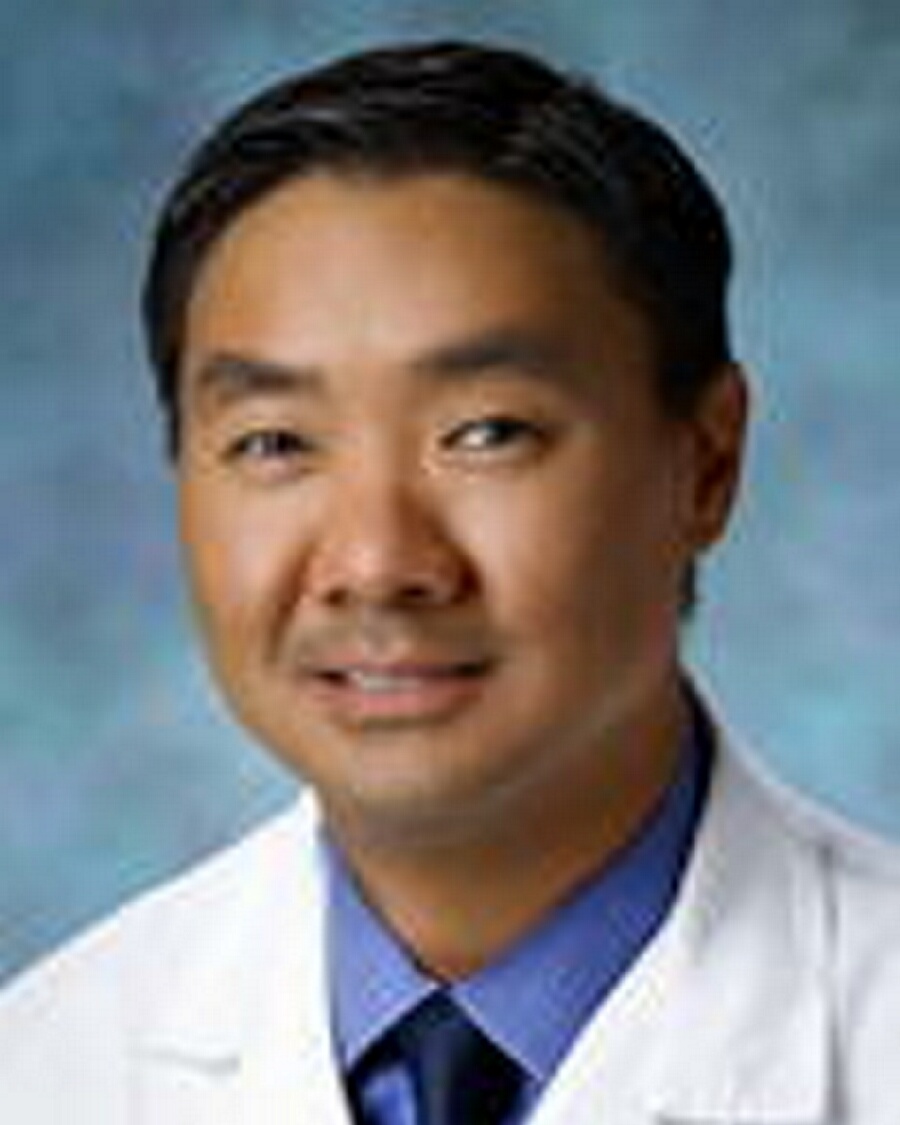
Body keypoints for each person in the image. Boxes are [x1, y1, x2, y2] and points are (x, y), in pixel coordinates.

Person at [1, 39, 897, 1124]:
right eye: (276, 442)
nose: (375, 565)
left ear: (707, 463)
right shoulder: (46, 1066)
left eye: (487, 432)